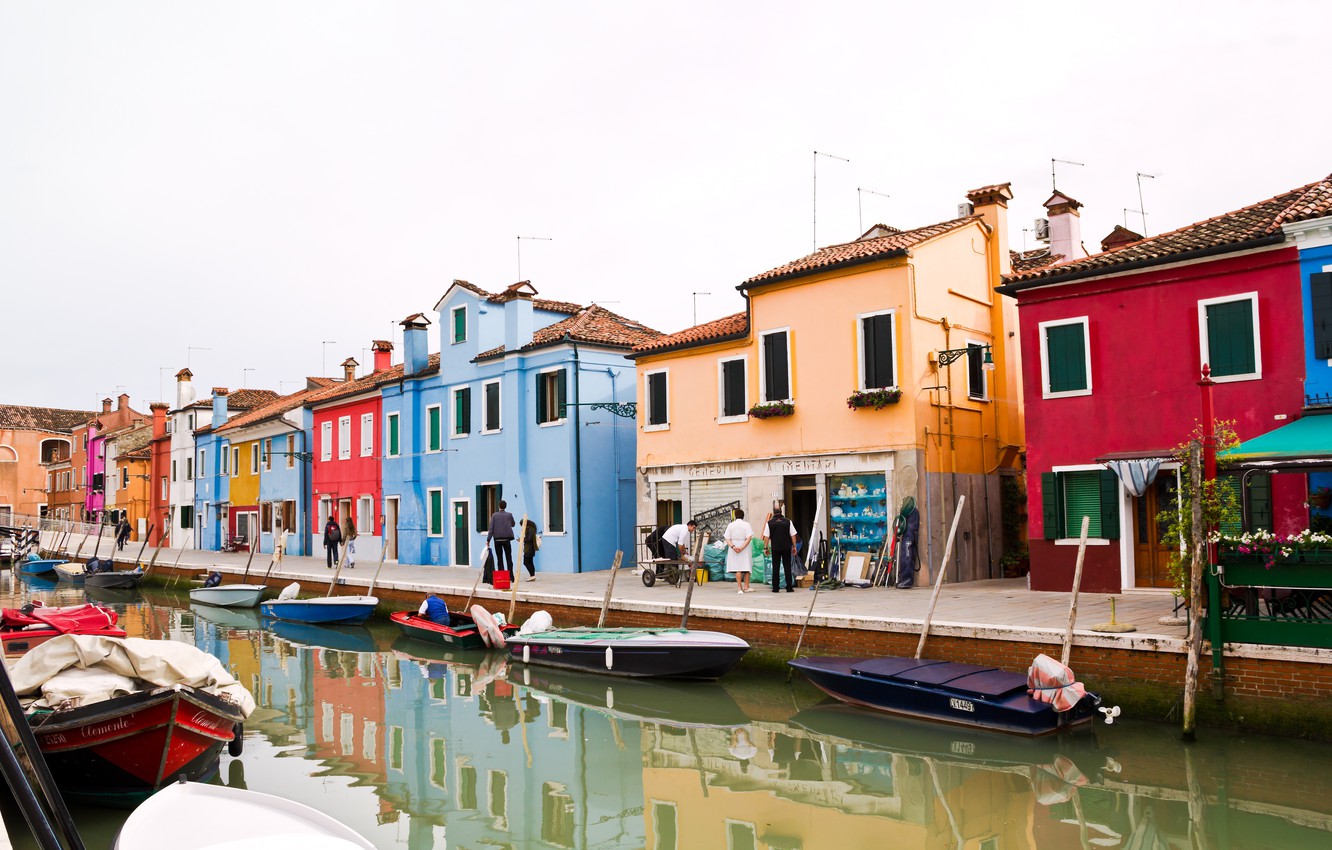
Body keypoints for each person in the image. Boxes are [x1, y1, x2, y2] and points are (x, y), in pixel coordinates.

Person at [763, 507, 799, 592]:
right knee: (787, 567)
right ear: (781, 512)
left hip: (775, 547)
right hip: (786, 547)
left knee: (775, 567)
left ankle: (775, 588)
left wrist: (765, 548)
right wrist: (794, 547)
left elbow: (766, 537)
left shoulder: (769, 523)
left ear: (774, 512)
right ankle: (789, 587)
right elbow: (793, 535)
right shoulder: (788, 522)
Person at [724, 508, 755, 594]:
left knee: (738, 568)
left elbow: (727, 538)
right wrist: (742, 547)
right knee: (747, 567)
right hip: (744, 546)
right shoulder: (747, 524)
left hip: (733, 546)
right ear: (743, 516)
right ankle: (746, 586)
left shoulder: (730, 525)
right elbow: (749, 537)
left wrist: (733, 547)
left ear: (735, 516)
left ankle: (739, 588)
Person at [486, 499, 516, 578]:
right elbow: (513, 524)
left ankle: (502, 576)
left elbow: (491, 529)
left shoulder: (494, 515)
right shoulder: (509, 515)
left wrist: (488, 540)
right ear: (505, 506)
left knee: (500, 558)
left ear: (499, 506)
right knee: (509, 558)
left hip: (497, 540)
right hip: (507, 539)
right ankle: (511, 576)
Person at [521, 516, 540, 581]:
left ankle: (532, 575)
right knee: (530, 562)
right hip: (531, 549)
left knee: (526, 562)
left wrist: (522, 539)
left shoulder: (530, 529)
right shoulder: (531, 529)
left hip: (529, 548)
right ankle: (532, 575)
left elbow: (529, 539)